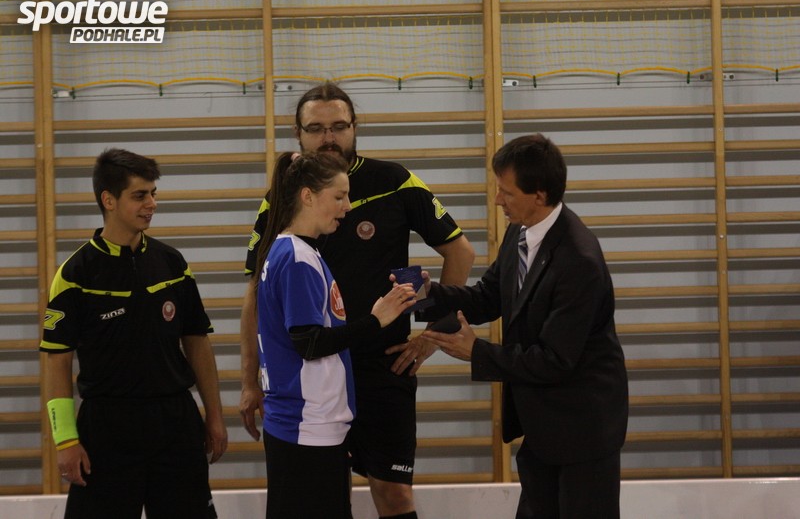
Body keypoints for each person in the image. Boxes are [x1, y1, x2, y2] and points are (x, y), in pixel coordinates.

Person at [239, 82, 475, 518]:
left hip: (384, 367)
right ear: (298, 133)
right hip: (314, 376)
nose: (328, 137)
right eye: (316, 128)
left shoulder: (394, 180)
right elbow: (257, 295)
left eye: (338, 126)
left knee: (394, 494)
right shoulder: (282, 202)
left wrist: (431, 337)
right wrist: (250, 380)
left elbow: (460, 253)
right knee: (327, 494)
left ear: (355, 127)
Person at [418, 134, 629, 518]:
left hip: (582, 429)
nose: (497, 200)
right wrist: (426, 296)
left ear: (539, 195)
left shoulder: (578, 260)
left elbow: (554, 360)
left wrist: (476, 352)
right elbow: (488, 296)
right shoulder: (521, 231)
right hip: (543, 425)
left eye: (507, 192)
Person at [39, 148, 228, 519]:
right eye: (140, 195)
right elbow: (56, 361)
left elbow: (197, 343)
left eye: (153, 194)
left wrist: (215, 416)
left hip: (175, 422)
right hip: (107, 428)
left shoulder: (172, 263)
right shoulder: (75, 274)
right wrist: (65, 440)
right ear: (108, 200)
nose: (151, 204)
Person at [254, 151, 418, 518]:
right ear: (308, 196)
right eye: (339, 196)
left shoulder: (295, 251)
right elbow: (309, 342)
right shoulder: (297, 258)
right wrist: (375, 320)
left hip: (305, 423)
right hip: (305, 424)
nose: (348, 207)